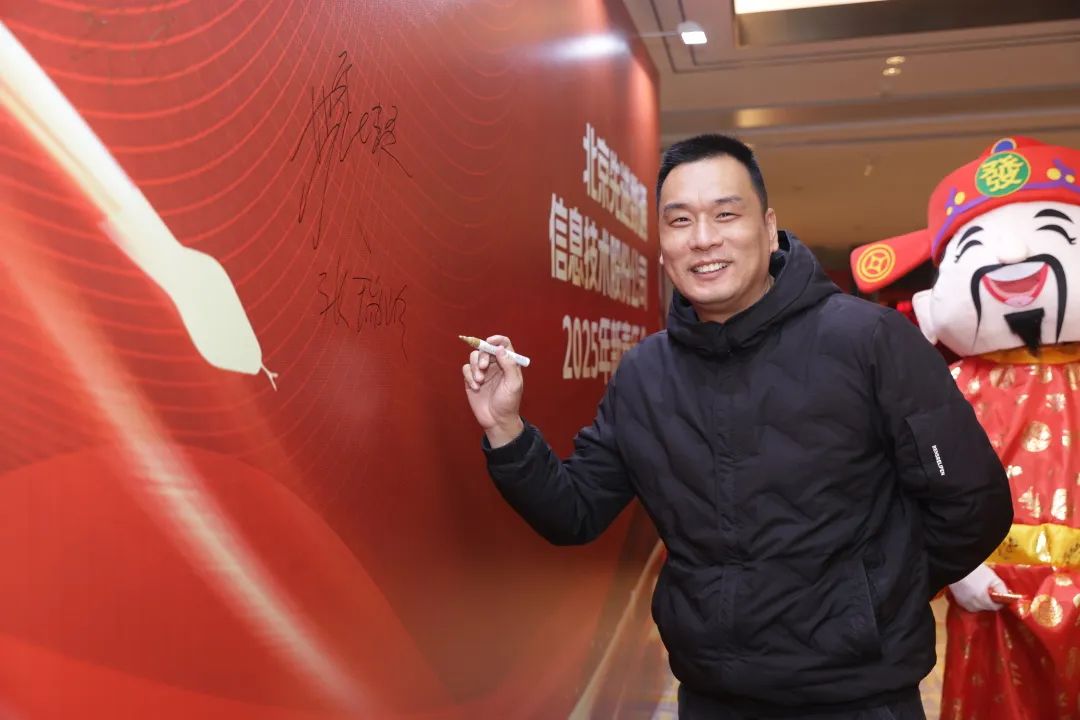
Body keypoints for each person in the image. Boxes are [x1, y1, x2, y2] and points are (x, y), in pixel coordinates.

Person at [462, 134, 1013, 719]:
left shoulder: (869, 341)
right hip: (712, 697)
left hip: (858, 698)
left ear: (769, 229)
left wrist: (875, 595)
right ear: (663, 246)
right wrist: (505, 428)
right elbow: (574, 512)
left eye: (725, 214)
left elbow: (971, 503)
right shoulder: (645, 375)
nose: (703, 238)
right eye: (680, 221)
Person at [850, 136, 1080, 720]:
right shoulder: (944, 387)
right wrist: (958, 570)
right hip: (993, 597)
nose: (1013, 258)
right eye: (976, 247)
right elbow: (909, 491)